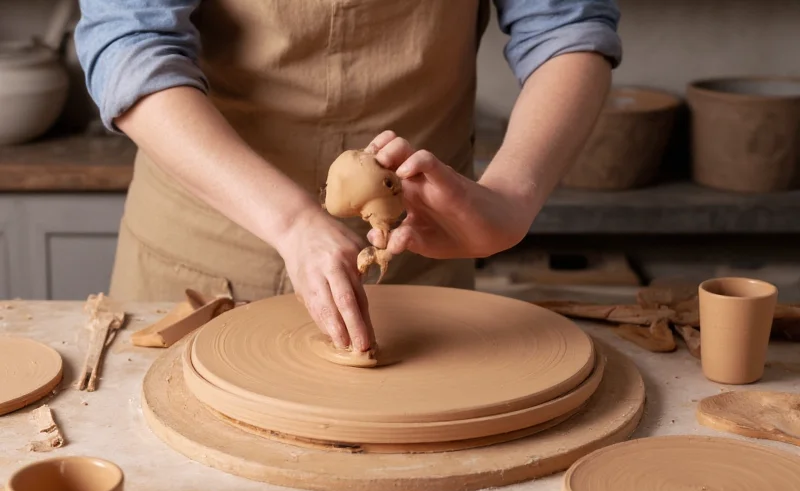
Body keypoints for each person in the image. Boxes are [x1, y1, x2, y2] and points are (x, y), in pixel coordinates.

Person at [74, 0, 622, 355]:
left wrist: (511, 197)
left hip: (415, 256)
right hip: (199, 252)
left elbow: (566, 28)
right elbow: (130, 45)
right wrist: (290, 222)